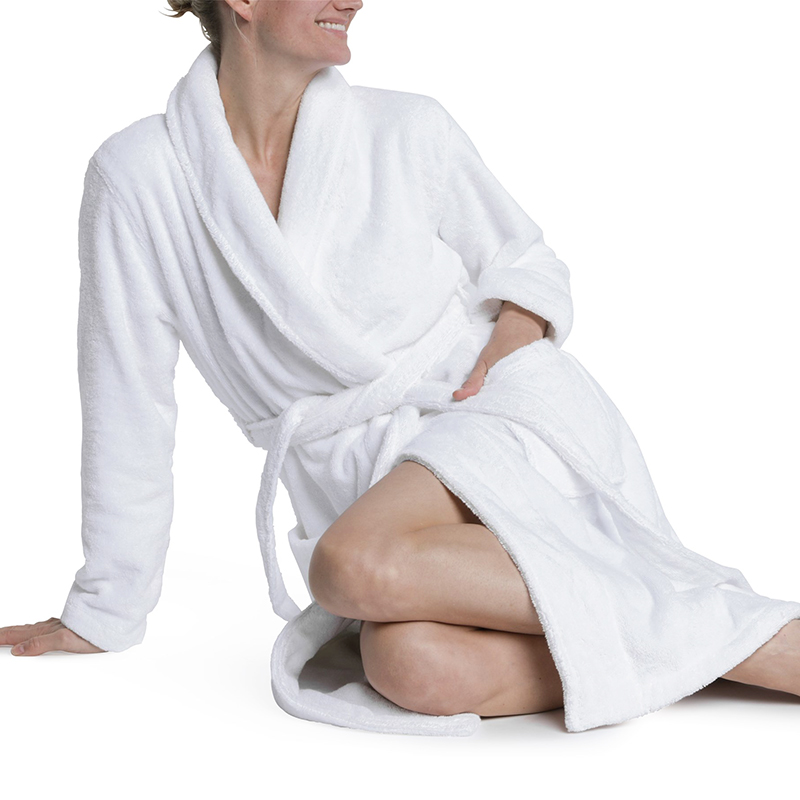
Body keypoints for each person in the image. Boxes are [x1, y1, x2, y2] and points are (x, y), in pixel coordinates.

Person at [2, 0, 799, 735]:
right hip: (363, 485)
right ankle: (700, 643)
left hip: (484, 418)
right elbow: (128, 395)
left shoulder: (408, 128)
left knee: (350, 565)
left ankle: (768, 647)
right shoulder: (140, 177)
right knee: (410, 665)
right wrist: (107, 604)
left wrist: (512, 340)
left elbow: (526, 263)